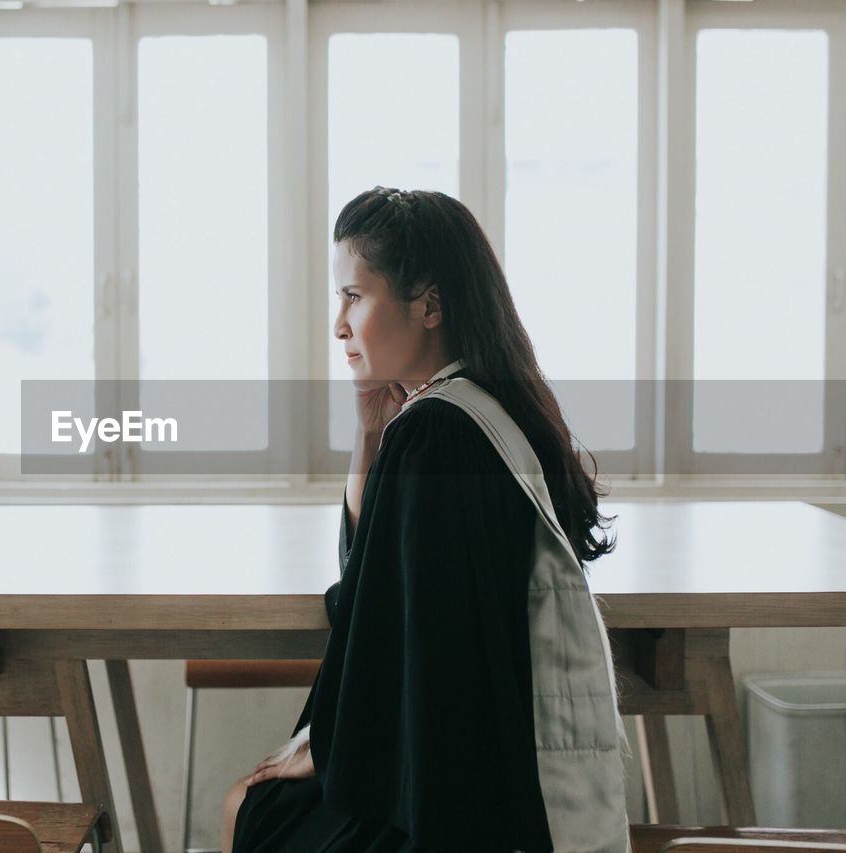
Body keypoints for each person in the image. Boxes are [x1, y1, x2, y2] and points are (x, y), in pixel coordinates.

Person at [221, 188, 630, 852]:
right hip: (491, 782)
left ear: (430, 305)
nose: (339, 325)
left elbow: (380, 623)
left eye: (354, 296)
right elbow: (382, 585)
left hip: (453, 807)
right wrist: (368, 430)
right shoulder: (487, 408)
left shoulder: (437, 435)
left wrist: (328, 744)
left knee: (251, 806)